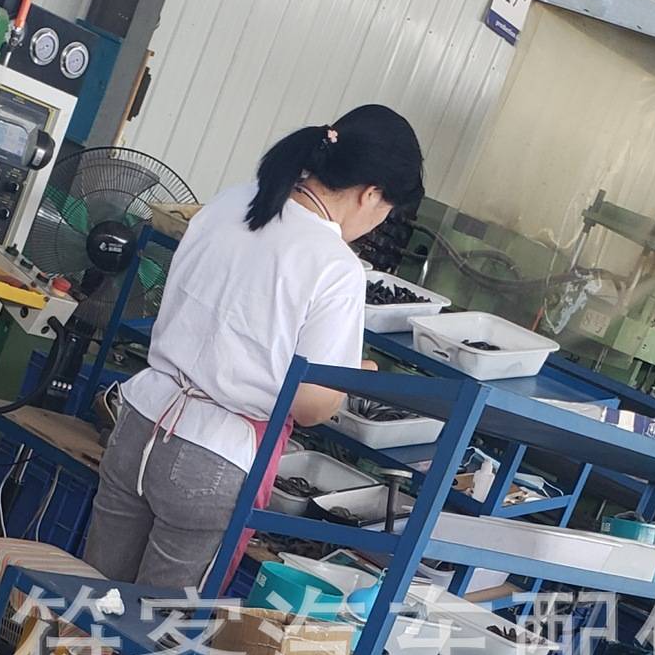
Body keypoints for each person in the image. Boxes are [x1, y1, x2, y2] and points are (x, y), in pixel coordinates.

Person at [84, 104, 424, 591]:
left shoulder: (234, 201)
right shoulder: (336, 266)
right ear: (371, 194)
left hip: (139, 420)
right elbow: (310, 405)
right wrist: (354, 379)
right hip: (211, 459)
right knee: (157, 625)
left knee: (92, 601)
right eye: (385, 213)